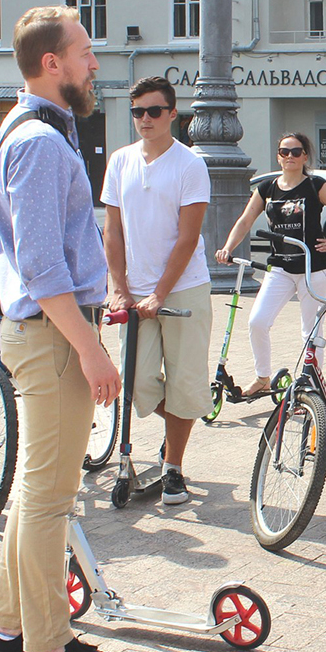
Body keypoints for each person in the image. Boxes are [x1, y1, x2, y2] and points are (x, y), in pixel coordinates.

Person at [0, 5, 135, 652]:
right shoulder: (41, 142)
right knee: (50, 498)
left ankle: (9, 629)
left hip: (47, 333)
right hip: (52, 335)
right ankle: (51, 646)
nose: (94, 63)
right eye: (83, 52)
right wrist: (91, 349)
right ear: (52, 64)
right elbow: (44, 267)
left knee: (34, 492)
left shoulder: (37, 131)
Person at [102, 76, 212, 506]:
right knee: (139, 383)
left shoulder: (190, 164)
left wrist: (160, 294)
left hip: (182, 289)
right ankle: (184, 420)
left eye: (153, 111)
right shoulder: (120, 160)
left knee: (183, 383)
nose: (144, 119)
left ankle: (174, 468)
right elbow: (113, 229)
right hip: (134, 292)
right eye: (137, 112)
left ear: (172, 114)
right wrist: (120, 287)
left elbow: (188, 237)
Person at [213, 133, 326, 398]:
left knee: (311, 332)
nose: (289, 156)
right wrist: (228, 248)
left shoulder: (315, 186)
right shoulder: (267, 188)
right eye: (284, 152)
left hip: (313, 269)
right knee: (257, 321)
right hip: (279, 267)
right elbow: (245, 221)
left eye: (296, 152)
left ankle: (313, 388)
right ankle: (262, 378)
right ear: (278, 156)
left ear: (305, 156)